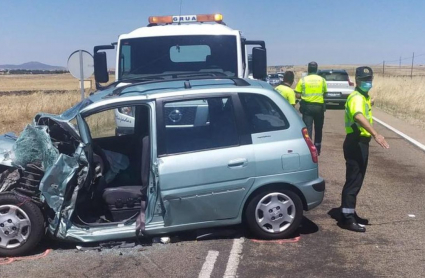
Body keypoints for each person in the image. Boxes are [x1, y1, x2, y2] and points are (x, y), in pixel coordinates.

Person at [339, 66, 389, 232]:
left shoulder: (362, 96)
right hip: (355, 142)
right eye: (364, 80)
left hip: (360, 142)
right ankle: (347, 219)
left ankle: (350, 213)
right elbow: (358, 116)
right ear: (357, 80)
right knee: (353, 181)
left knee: (357, 180)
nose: (367, 83)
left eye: (369, 80)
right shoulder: (356, 98)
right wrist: (376, 134)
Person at [295, 62, 327, 155]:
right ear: (316, 69)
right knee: (318, 128)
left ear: (308, 69)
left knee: (308, 129)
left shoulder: (303, 80)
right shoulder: (322, 80)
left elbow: (297, 94)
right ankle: (317, 148)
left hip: (307, 107)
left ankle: (309, 149)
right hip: (319, 107)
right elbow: (325, 93)